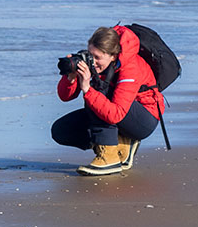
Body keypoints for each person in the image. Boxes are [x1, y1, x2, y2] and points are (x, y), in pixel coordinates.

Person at [51, 25, 166, 176]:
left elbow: (116, 114)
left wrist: (87, 89)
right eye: (91, 55)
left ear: (113, 56)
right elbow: (65, 97)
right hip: (116, 112)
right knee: (61, 130)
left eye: (98, 57)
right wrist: (71, 78)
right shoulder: (97, 64)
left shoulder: (130, 67)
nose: (93, 61)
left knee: (99, 91)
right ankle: (121, 144)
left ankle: (109, 157)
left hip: (143, 119)